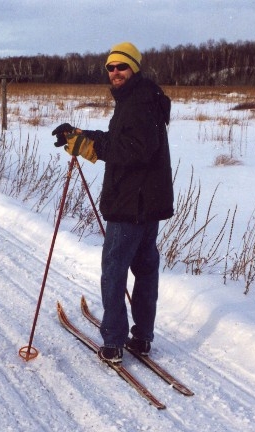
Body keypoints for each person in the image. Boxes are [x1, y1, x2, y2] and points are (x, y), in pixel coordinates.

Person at [52, 42, 174, 364]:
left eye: (122, 66)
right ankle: (142, 339)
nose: (115, 72)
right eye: (110, 67)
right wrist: (82, 136)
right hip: (146, 204)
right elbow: (122, 141)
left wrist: (87, 146)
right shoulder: (141, 98)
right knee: (145, 270)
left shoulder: (137, 101)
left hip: (130, 205)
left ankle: (114, 343)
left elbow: (134, 149)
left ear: (134, 68)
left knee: (114, 272)